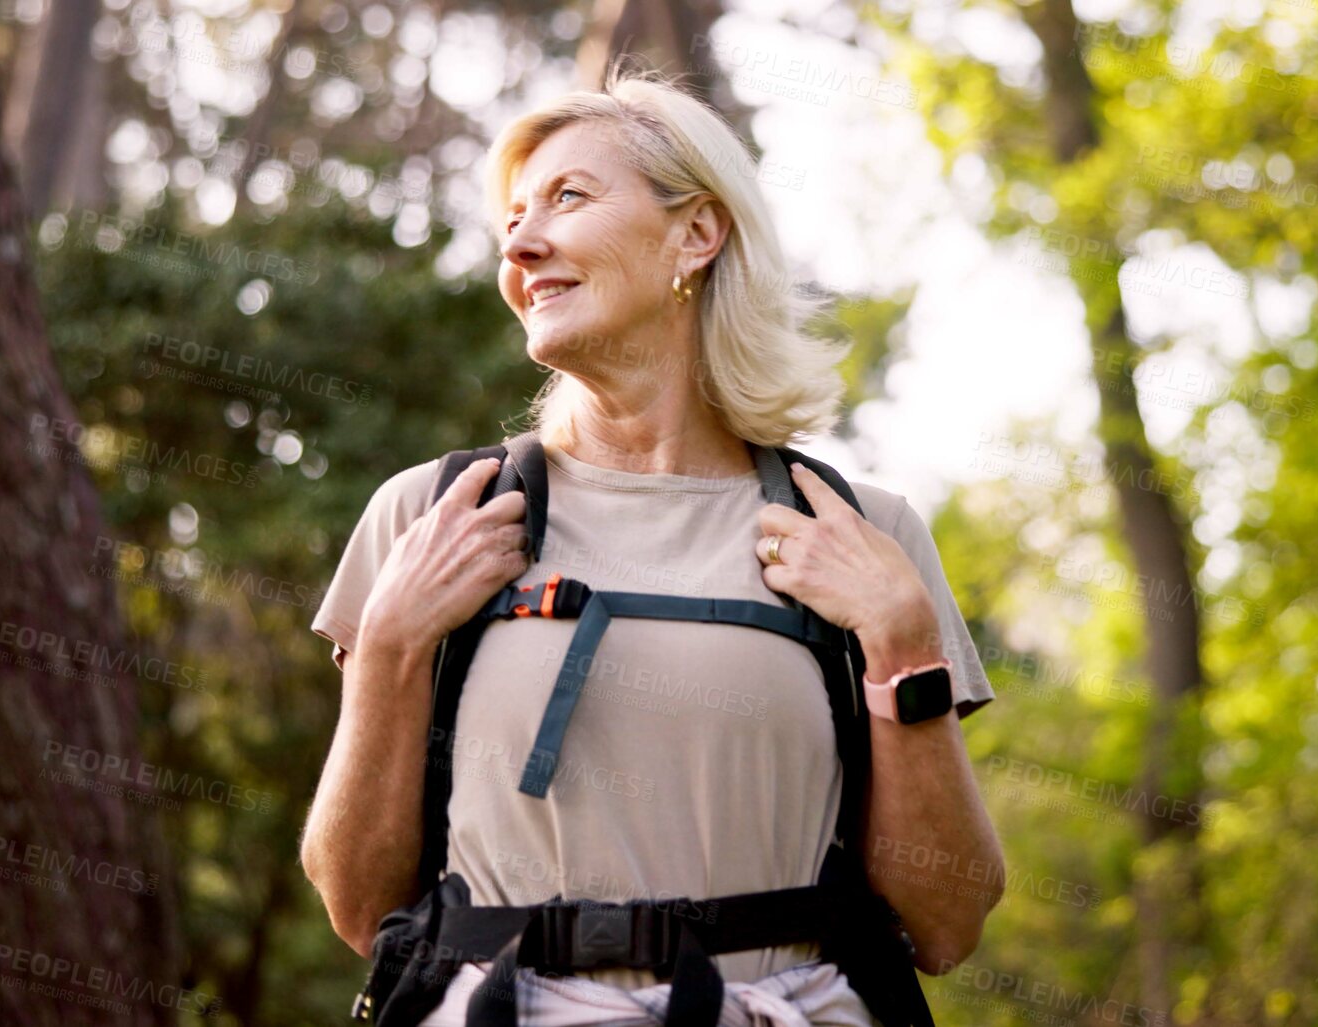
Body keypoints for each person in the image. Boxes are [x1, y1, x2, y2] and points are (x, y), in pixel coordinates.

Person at [303, 68, 1004, 1026]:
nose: (521, 241)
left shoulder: (860, 530)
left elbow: (948, 921)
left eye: (568, 198)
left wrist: (902, 644)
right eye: (513, 216)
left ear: (697, 234)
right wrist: (387, 644)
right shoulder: (432, 515)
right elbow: (356, 903)